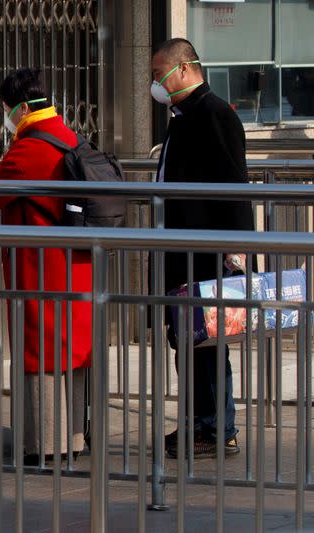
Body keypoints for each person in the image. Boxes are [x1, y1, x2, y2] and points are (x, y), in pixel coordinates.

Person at [0, 68, 93, 464]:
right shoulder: (67, 135)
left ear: (23, 107)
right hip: (75, 264)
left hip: (41, 267)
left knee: (40, 352)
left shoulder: (30, 150)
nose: (6, 116)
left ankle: (44, 445)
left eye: (7, 109)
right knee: (72, 352)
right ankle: (73, 439)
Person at [152, 38, 254, 458]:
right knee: (189, 341)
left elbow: (233, 184)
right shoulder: (184, 115)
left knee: (205, 342)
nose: (155, 82)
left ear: (184, 69)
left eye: (159, 73)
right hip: (182, 248)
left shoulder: (214, 114)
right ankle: (201, 423)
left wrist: (236, 246)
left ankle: (214, 427)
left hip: (206, 251)